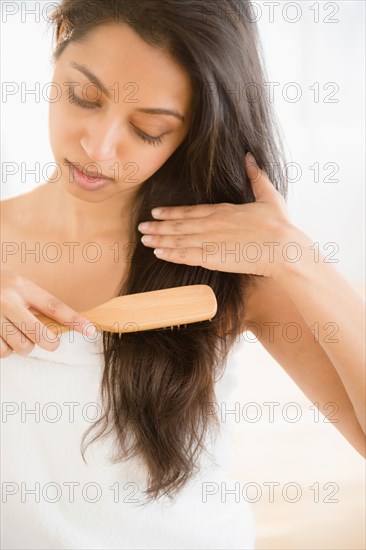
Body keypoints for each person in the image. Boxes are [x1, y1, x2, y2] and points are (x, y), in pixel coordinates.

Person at [1, 1, 365, 548]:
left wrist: (299, 258)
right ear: (58, 47)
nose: (98, 148)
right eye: (83, 97)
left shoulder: (227, 260)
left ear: (193, 132)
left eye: (148, 129)